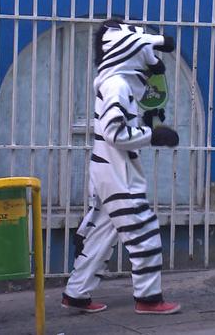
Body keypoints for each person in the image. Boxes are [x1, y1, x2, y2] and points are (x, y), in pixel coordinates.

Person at [61, 19, 181, 315]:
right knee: (144, 231)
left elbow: (117, 128)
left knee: (102, 232)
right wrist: (154, 135)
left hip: (108, 170)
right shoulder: (117, 85)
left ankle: (76, 292)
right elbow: (115, 133)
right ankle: (148, 298)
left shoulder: (116, 83)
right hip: (117, 174)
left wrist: (146, 123)